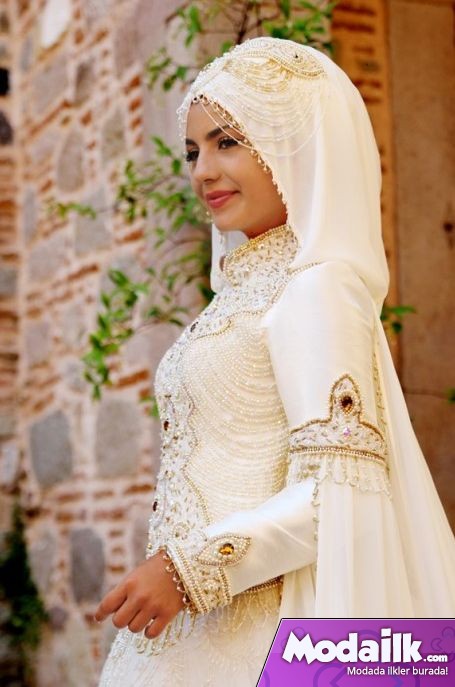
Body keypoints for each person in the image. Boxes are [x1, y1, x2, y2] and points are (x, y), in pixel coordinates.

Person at [95, 37, 455, 686]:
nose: (202, 171)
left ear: (293, 143)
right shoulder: (244, 295)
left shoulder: (315, 289)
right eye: (193, 150)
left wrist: (189, 570)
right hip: (194, 636)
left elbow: (340, 494)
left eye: (227, 142)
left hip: (261, 642)